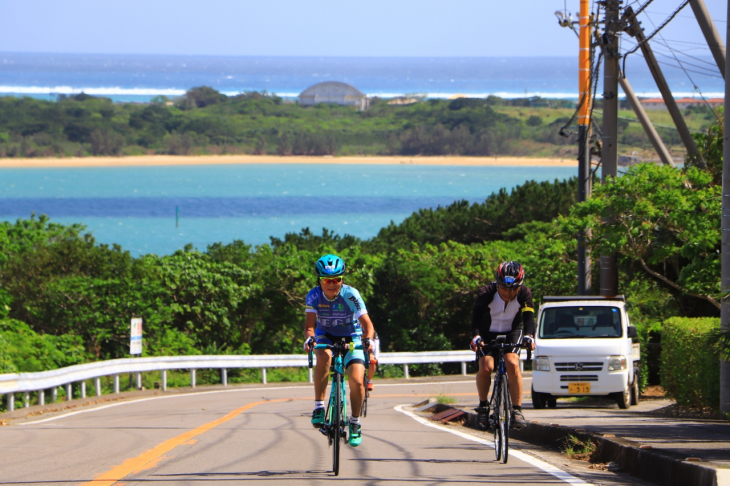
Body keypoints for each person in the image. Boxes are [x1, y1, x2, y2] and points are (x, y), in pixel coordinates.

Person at [304, 254, 374, 447]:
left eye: (337, 279)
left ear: (342, 279)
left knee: (357, 381)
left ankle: (355, 422)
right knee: (324, 356)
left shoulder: (351, 294)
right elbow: (309, 326)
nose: (332, 284)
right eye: (327, 280)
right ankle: (319, 407)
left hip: (352, 336)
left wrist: (367, 340)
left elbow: (368, 324)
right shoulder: (314, 295)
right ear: (319, 280)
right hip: (325, 335)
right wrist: (310, 339)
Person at [470, 261, 536, 430]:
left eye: (513, 289)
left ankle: (517, 410)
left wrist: (529, 337)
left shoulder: (524, 293)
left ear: (519, 286)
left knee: (512, 363)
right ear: (498, 283)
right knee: (486, 367)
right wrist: (476, 336)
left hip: (512, 331)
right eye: (504, 288)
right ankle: (483, 407)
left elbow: (528, 319)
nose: (508, 292)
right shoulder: (487, 292)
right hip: (487, 331)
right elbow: (476, 318)